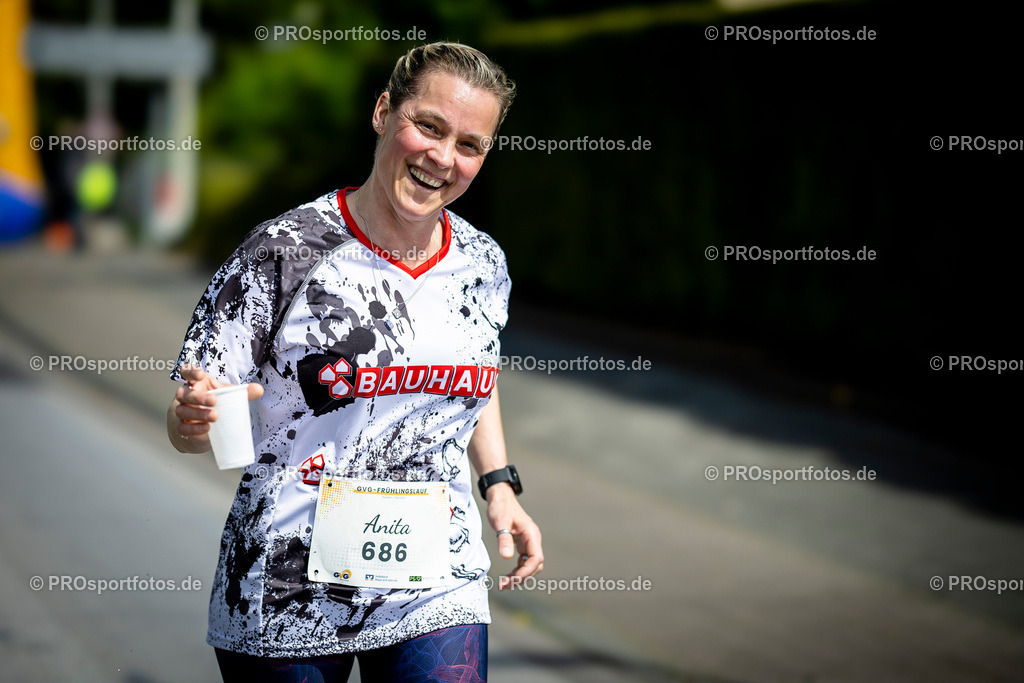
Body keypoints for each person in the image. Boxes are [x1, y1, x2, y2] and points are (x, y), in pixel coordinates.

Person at [166, 42, 543, 682]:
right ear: (382, 112)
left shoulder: (483, 264)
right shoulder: (283, 251)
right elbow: (193, 427)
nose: (442, 158)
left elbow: (473, 377)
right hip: (287, 588)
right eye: (428, 126)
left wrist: (499, 485)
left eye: (471, 145)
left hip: (435, 583)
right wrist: (193, 419)